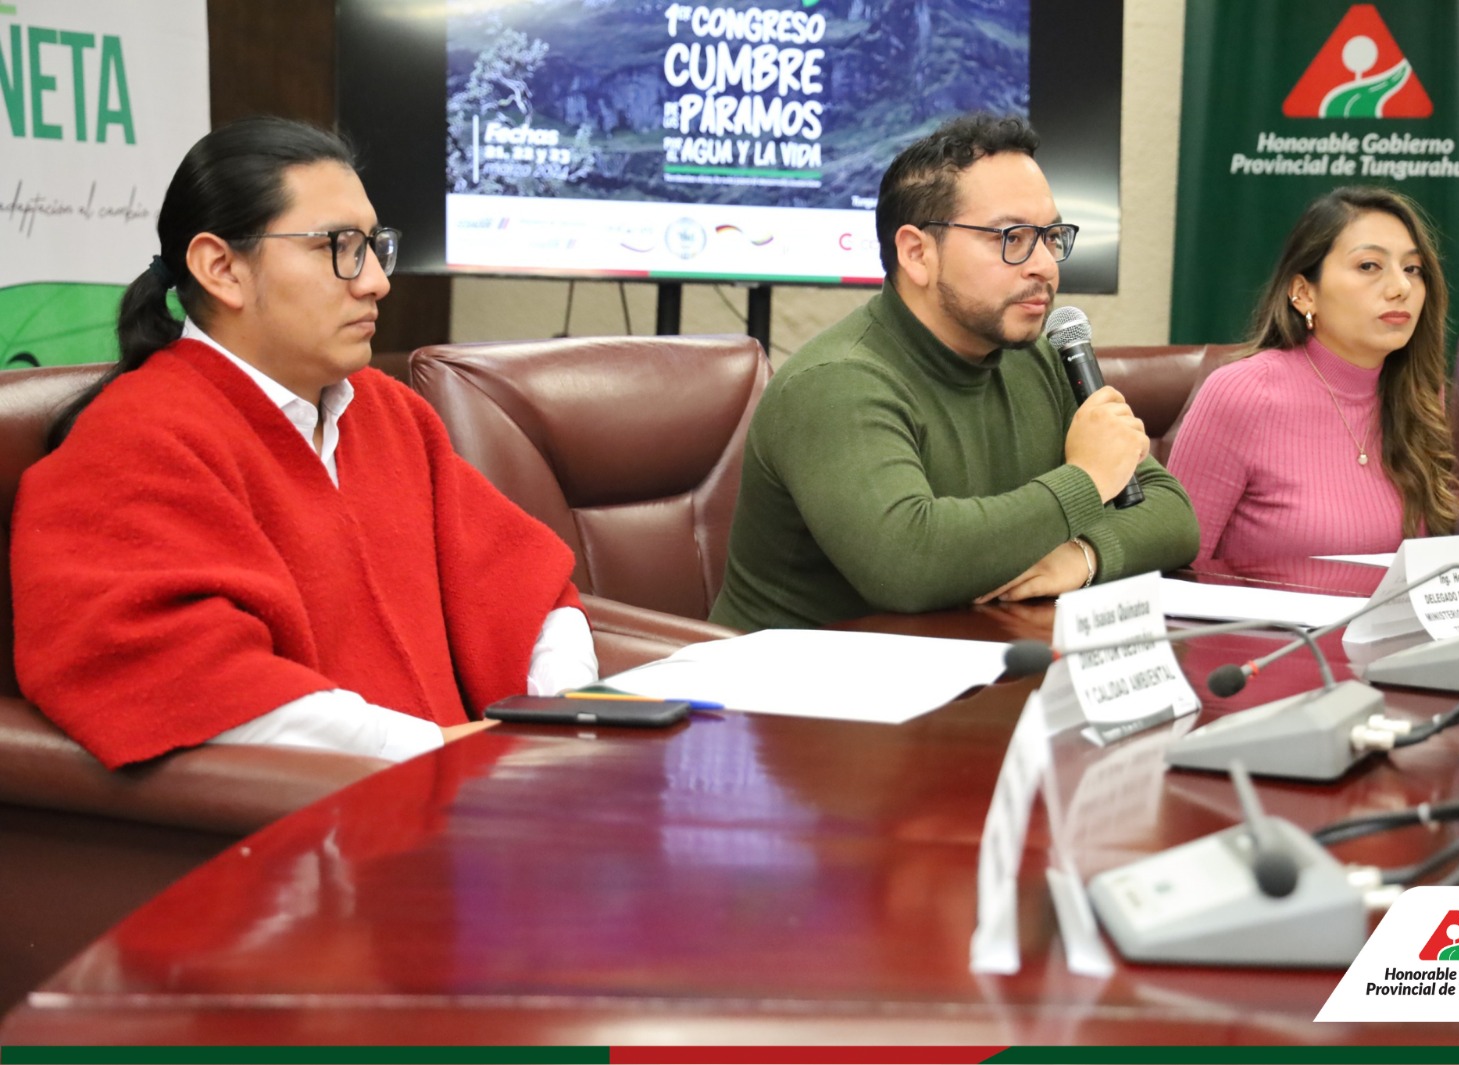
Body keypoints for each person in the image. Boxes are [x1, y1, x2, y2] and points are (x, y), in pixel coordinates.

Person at [11, 116, 598, 770]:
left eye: (375, 245)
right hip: (310, 835)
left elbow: (528, 588)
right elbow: (185, 682)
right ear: (220, 268)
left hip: (479, 799)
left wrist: (563, 710)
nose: (376, 279)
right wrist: (453, 752)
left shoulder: (388, 410)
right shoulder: (132, 442)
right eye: (339, 246)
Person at [710, 114, 1199, 631]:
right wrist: (1086, 479)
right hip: (793, 693)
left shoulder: (1039, 357)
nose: (1045, 266)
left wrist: (1083, 555)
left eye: (1051, 236)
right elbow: (908, 563)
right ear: (917, 253)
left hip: (968, 668)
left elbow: (1172, 514)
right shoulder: (837, 383)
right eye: (1011, 237)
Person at [1166, 186, 1459, 560]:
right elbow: (1174, 571)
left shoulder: (1419, 393)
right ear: (1304, 293)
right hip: (1265, 619)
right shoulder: (1241, 394)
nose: (1401, 287)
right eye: (1369, 266)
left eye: (1412, 269)